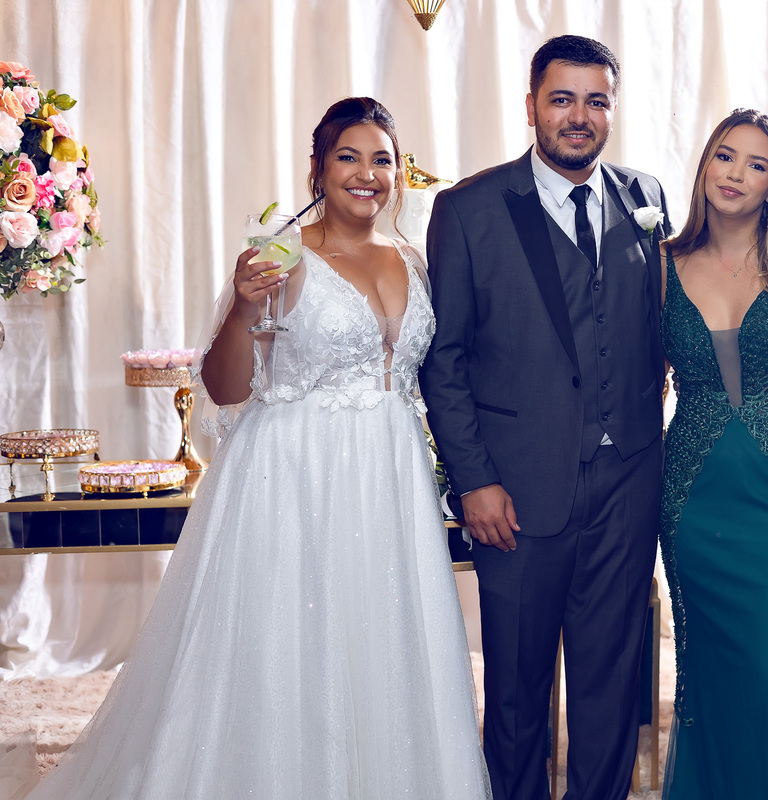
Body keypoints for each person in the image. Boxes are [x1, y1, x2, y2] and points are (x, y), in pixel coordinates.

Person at [15, 97, 490, 799]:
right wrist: (241, 307)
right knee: (288, 641)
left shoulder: (414, 261)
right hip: (293, 476)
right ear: (316, 168)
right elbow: (224, 387)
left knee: (384, 639)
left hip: (389, 477)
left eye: (382, 160)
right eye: (348, 157)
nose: (367, 174)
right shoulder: (280, 257)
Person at [419, 35, 670, 800]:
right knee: (518, 694)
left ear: (613, 110)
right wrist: (474, 481)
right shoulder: (468, 210)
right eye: (562, 99)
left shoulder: (646, 197)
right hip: (516, 493)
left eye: (596, 100)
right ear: (531, 106)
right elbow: (444, 359)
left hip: (627, 483)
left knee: (611, 687)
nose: (578, 116)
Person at [658, 109, 768, 799]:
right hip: (694, 499)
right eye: (725, 156)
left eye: (757, 164)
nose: (735, 174)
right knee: (705, 674)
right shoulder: (661, 265)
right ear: (706, 164)